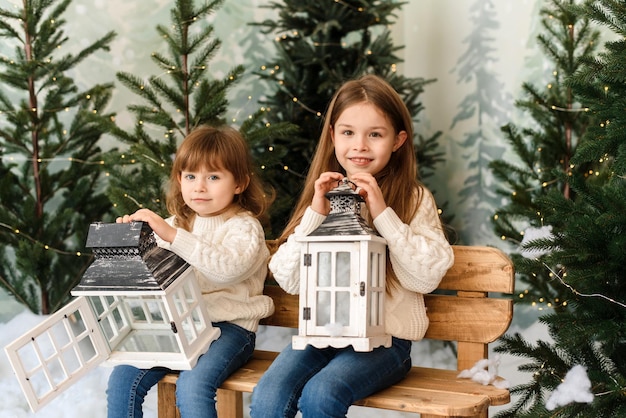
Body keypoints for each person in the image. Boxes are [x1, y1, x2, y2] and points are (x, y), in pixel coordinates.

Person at [249, 74, 454, 418]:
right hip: (324, 335)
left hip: (386, 342)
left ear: (398, 140)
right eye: (348, 132)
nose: (359, 145)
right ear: (332, 136)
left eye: (375, 134)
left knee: (321, 395)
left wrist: (383, 213)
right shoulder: (326, 196)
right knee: (269, 395)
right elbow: (290, 279)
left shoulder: (414, 198)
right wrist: (316, 212)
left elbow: (424, 279)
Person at [106, 125, 274, 418]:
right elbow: (150, 276)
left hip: (230, 331)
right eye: (191, 176)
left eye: (213, 177)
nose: (199, 187)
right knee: (123, 378)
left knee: (193, 386)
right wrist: (131, 243)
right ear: (179, 180)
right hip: (181, 326)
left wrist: (172, 236)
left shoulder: (244, 227)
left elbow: (227, 270)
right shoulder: (176, 223)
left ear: (239, 183)